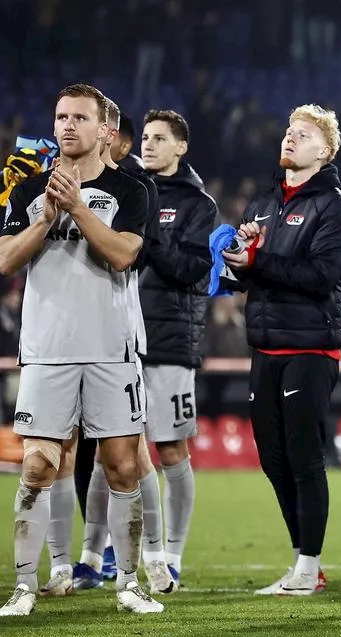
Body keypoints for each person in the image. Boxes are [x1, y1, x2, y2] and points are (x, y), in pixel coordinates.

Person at [0, 84, 161, 616]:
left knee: (121, 468)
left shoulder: (131, 191)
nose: (67, 126)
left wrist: (76, 209)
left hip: (111, 349)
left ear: (104, 131)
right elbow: (4, 261)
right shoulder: (27, 192)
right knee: (37, 468)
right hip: (47, 350)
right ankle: (25, 585)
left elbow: (122, 256)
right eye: (61, 117)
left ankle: (130, 583)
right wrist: (45, 217)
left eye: (80, 118)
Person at [221, 104, 341, 597]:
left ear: (325, 151)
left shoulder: (337, 207)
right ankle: (305, 563)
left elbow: (323, 277)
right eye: (287, 131)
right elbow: (250, 270)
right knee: (273, 460)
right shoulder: (264, 202)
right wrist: (233, 263)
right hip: (265, 345)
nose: (289, 139)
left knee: (304, 458)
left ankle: (308, 564)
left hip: (309, 347)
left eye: (302, 135)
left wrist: (258, 258)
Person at [134, 109, 218, 590]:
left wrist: (147, 236)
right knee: (115, 449)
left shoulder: (197, 204)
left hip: (169, 340)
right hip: (120, 336)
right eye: (145, 137)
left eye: (158, 138)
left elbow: (191, 270)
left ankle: (173, 553)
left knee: (169, 447)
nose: (148, 144)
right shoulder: (129, 190)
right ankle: (102, 552)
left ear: (180, 147)